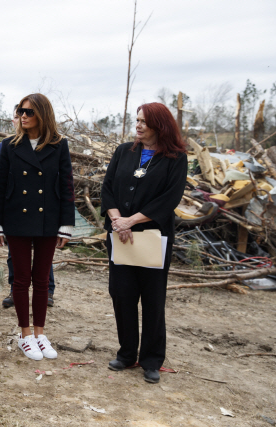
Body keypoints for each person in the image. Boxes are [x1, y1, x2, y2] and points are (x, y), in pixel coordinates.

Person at [101, 102, 187, 384]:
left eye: (144, 122)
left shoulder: (175, 158)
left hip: (152, 238)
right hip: (120, 235)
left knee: (152, 298)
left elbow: (168, 200)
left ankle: (151, 359)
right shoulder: (124, 151)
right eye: (136, 121)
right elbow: (108, 187)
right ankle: (127, 354)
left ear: (159, 126)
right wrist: (117, 220)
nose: (138, 126)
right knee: (122, 293)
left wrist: (131, 221)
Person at [0, 93, 74, 361]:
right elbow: (0, 185)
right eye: (20, 111)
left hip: (47, 220)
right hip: (17, 218)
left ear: (42, 115)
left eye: (29, 112)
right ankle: (24, 334)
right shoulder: (9, 145)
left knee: (42, 280)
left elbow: (66, 186)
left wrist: (66, 224)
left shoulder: (59, 145)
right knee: (21, 278)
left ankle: (40, 333)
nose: (23, 116)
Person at [0, 106, 57, 309]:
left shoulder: (52, 145)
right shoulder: (4, 147)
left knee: (43, 255)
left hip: (42, 210)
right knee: (16, 254)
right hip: (17, 210)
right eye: (17, 115)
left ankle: (48, 289)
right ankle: (16, 288)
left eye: (28, 114)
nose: (21, 118)